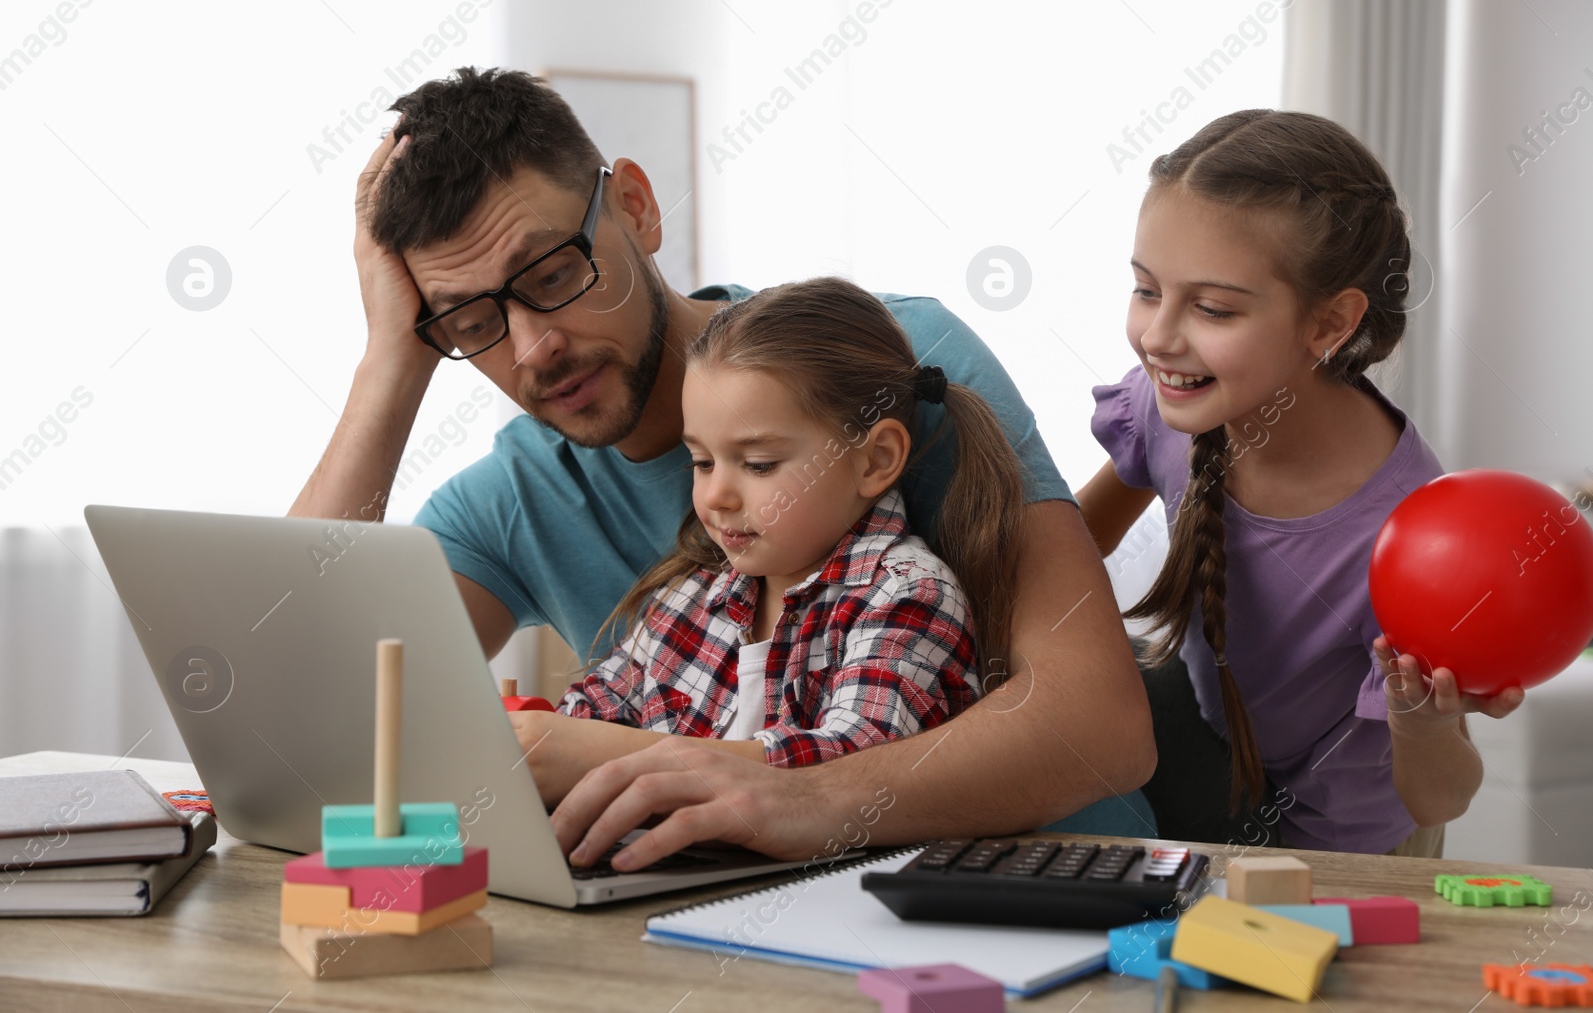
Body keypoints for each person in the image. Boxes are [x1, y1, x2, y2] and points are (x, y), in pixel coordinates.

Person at [288, 66, 1155, 872]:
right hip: (735, 920)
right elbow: (287, 700)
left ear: (636, 206)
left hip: (1047, 897)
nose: (533, 348)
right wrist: (390, 364)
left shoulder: (891, 364)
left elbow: (1101, 728)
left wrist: (759, 788)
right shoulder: (512, 497)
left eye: (552, 273)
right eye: (470, 321)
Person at [1075, 109, 1523, 856]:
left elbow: (1439, 796)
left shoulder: (1414, 533)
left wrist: (1425, 720)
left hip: (1350, 850)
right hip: (1215, 774)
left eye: (1213, 307)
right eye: (1148, 290)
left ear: (1329, 325)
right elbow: (1068, 550)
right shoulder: (1171, 408)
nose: (1158, 337)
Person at [505, 278, 1028, 804]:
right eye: (702, 462)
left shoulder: (907, 595)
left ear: (875, 459)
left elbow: (857, 766)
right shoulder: (687, 601)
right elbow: (588, 719)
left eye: (758, 464)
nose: (716, 497)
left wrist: (619, 757)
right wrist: (531, 739)